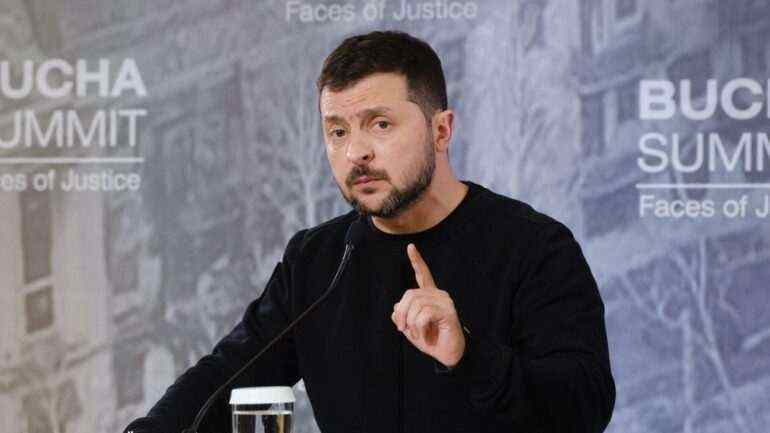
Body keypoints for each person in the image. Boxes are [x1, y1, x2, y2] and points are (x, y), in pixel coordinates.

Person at [124, 30, 615, 433]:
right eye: (338, 131)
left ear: (441, 131)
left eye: (379, 124)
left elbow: (583, 410)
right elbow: (226, 376)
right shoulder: (317, 260)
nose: (355, 152)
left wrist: (468, 355)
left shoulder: (535, 248)